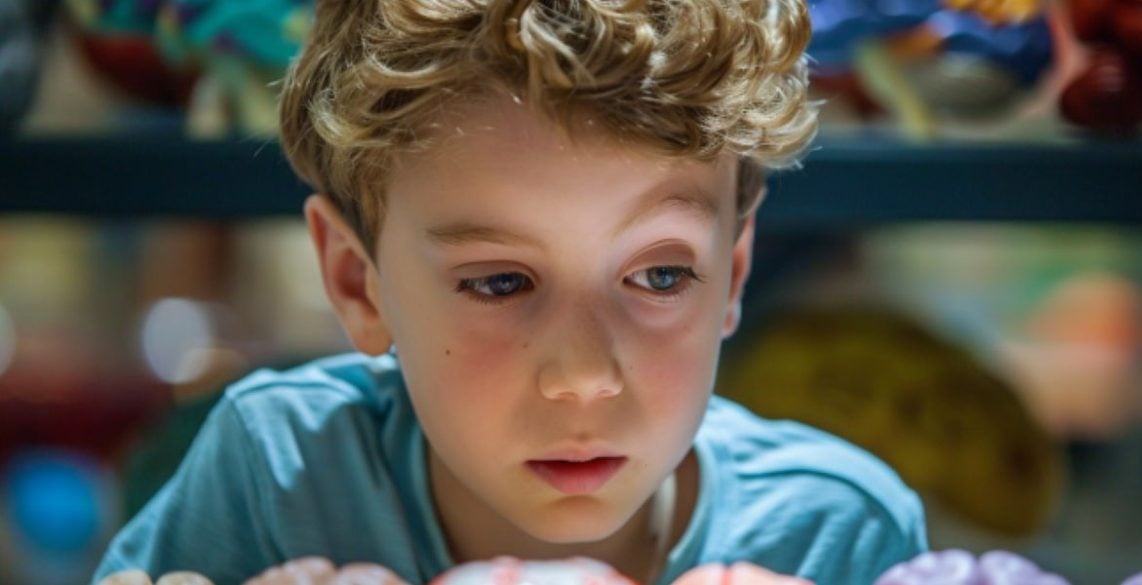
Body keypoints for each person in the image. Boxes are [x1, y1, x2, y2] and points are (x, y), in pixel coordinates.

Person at [92, 0, 928, 583]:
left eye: (661, 275)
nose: (583, 376)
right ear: (357, 279)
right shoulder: (275, 478)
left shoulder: (835, 537)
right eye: (498, 281)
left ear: (734, 271)